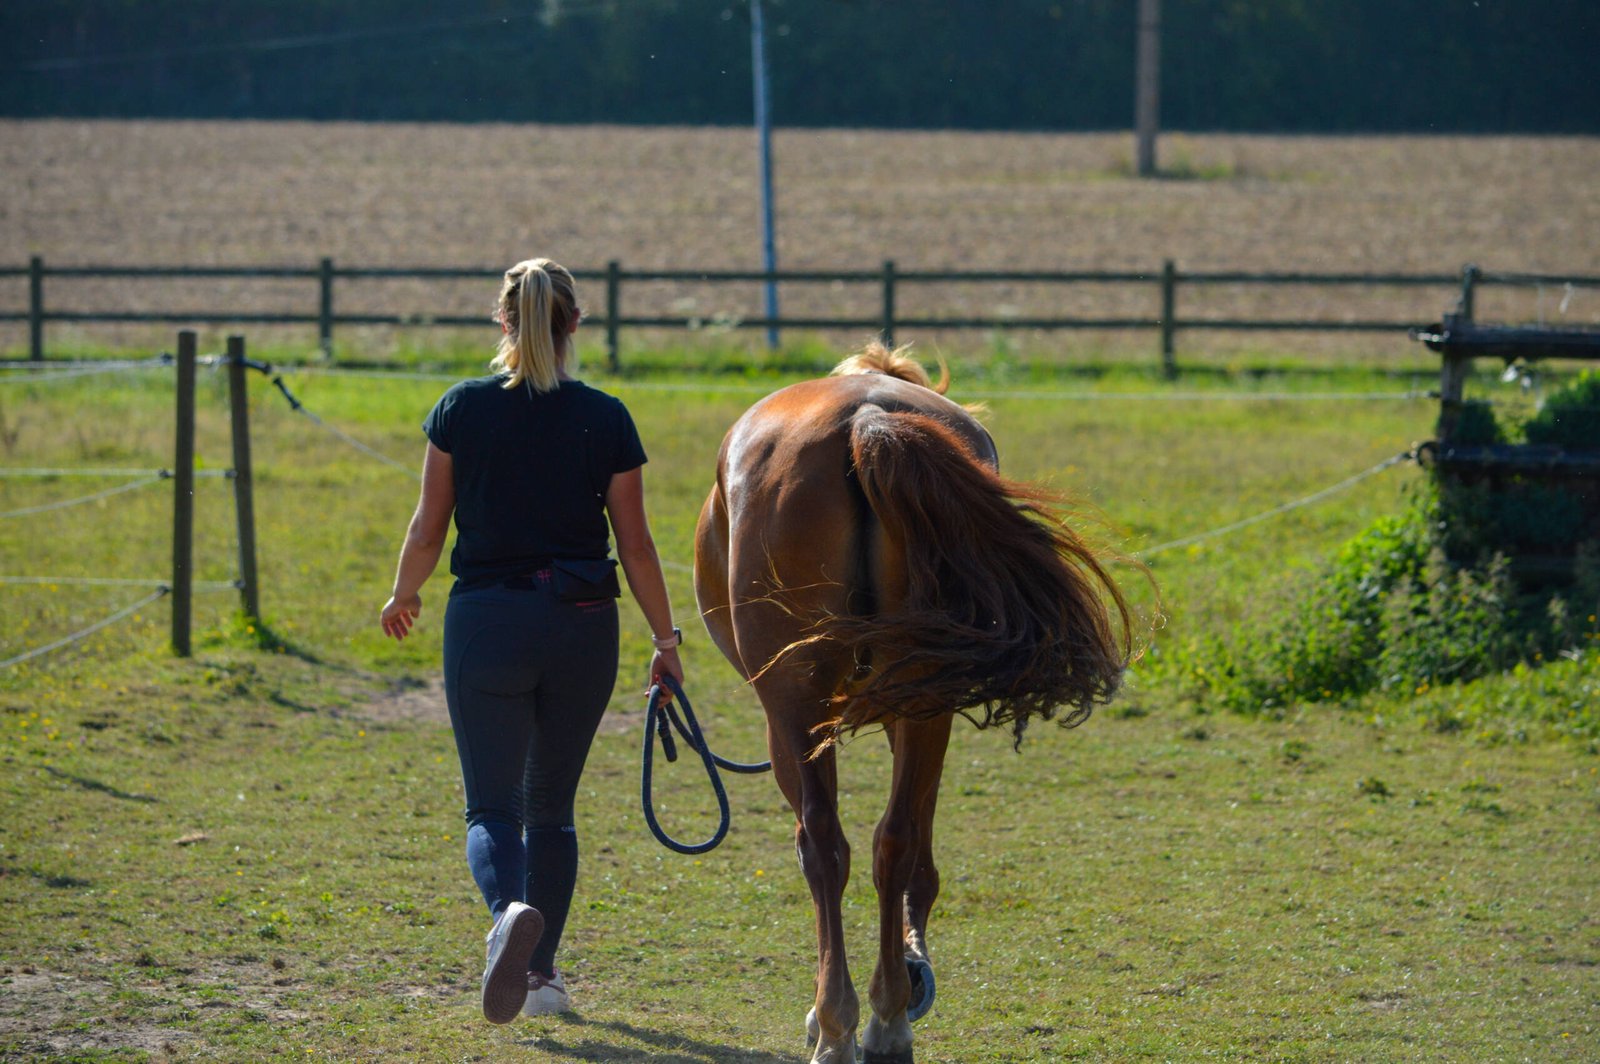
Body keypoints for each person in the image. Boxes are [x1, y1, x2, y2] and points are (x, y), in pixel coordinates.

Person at [379, 257, 684, 1024]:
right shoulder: (606, 416)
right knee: (553, 809)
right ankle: (541, 978)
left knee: (491, 807)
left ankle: (505, 915)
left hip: (488, 622)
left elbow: (428, 525)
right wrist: (666, 637)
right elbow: (638, 546)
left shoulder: (459, 409)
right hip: (584, 625)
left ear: (503, 321)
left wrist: (404, 592)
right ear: (574, 323)